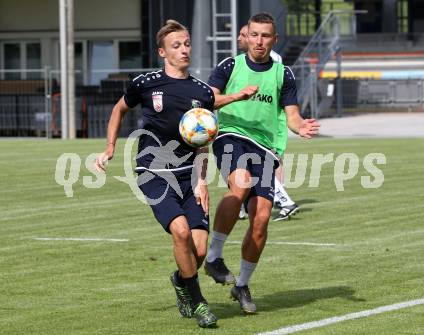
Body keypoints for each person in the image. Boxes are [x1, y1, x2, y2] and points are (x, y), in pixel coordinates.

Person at [94, 20, 217, 328]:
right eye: (177, 45)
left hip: (190, 175)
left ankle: (181, 280)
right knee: (180, 232)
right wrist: (110, 147)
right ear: (163, 52)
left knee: (199, 250)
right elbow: (118, 110)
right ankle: (199, 303)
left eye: (187, 43)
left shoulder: (202, 92)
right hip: (154, 172)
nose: (184, 49)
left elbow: (203, 145)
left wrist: (202, 182)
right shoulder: (145, 83)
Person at [204, 13, 320, 314]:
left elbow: (292, 114)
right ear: (246, 36)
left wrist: (300, 126)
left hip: (265, 147)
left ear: (274, 39)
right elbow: (209, 100)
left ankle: (242, 284)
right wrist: (236, 96)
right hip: (230, 135)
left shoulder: (284, 74)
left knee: (262, 218)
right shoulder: (230, 66)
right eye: (253, 35)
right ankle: (214, 256)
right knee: (239, 185)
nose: (258, 41)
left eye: (265, 36)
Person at [237, 24, 300, 221]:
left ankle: (283, 200)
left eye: (243, 34)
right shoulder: (237, 63)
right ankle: (243, 203)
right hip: (250, 123)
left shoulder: (272, 62)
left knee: (267, 162)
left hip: (269, 122)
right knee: (247, 164)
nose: (239, 38)